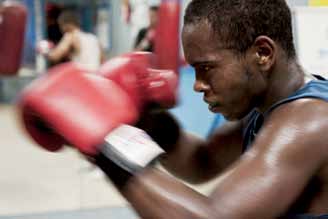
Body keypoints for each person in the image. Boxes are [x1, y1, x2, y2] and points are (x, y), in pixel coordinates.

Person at [21, 1, 328, 219]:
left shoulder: (309, 121)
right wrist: (145, 119)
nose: (197, 85)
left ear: (263, 54)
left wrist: (106, 142)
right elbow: (201, 161)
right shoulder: (265, 109)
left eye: (206, 68)